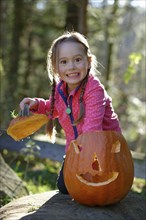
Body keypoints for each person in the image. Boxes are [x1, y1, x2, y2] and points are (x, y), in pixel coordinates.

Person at [19, 31, 121, 194]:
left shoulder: (94, 90)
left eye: (77, 60)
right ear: (56, 68)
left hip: (102, 151)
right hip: (76, 150)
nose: (71, 66)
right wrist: (36, 104)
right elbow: (52, 108)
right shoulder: (60, 89)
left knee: (96, 188)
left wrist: (82, 159)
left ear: (88, 62)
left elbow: (92, 130)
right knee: (65, 187)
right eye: (64, 62)